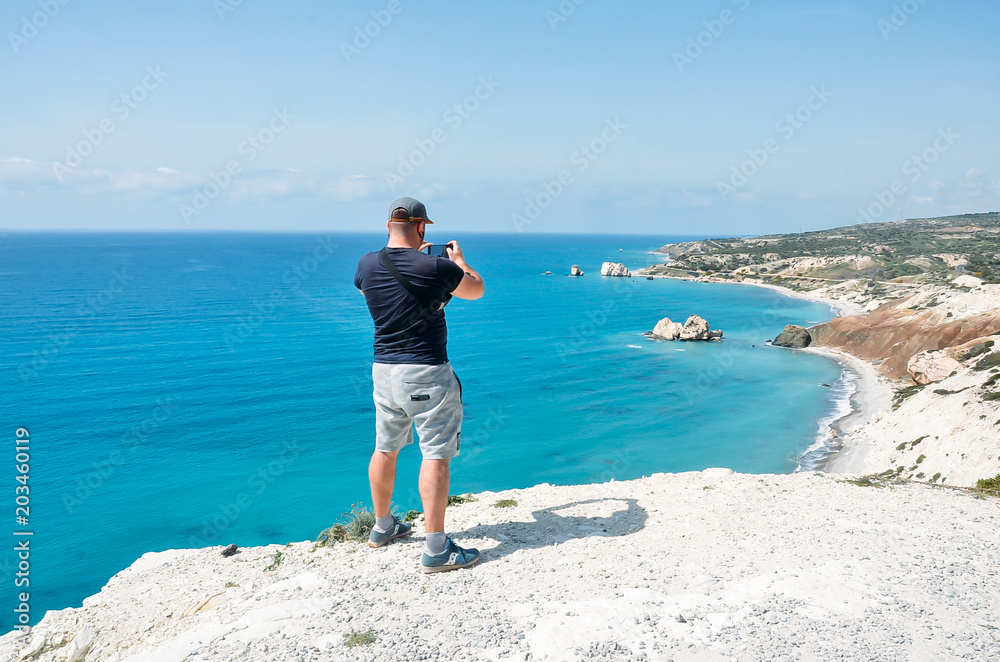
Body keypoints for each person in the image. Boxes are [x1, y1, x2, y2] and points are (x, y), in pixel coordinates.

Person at [353, 196, 485, 573]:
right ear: (422, 227)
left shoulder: (365, 264)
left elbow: (376, 295)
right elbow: (476, 289)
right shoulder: (437, 266)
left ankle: (382, 527)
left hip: (383, 371)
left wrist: (422, 268)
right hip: (425, 371)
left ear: (388, 227)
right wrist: (455, 263)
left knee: (385, 447)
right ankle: (436, 549)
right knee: (435, 454)